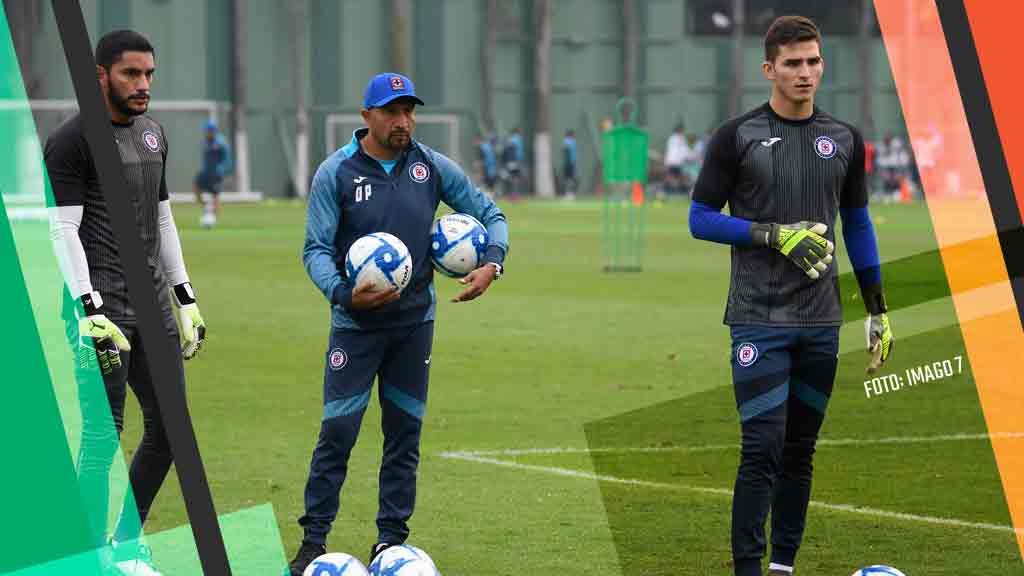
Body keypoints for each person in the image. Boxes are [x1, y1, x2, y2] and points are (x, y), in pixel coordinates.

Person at [687, 16, 893, 576]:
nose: (806, 72)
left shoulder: (845, 139)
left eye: (814, 61)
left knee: (800, 451)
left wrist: (876, 307)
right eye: (794, 63)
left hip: (822, 319)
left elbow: (858, 224)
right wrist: (772, 234)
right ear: (769, 69)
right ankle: (749, 570)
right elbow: (700, 219)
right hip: (758, 318)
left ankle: (783, 566)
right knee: (762, 447)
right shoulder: (738, 136)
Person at [288, 72, 509, 575]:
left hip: (414, 326)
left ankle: (390, 543)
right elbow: (315, 250)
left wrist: (492, 262)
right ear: (366, 116)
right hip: (354, 327)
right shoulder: (336, 173)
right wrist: (345, 293)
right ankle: (312, 544)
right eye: (392, 111)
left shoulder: (429, 166)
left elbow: (491, 213)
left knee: (404, 434)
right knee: (338, 433)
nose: (403, 121)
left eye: (409, 110)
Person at [45, 29, 206, 576]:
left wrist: (185, 297)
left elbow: (162, 219)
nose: (143, 85)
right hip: (101, 309)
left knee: (170, 430)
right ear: (100, 76)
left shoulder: (154, 135)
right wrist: (89, 309)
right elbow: (62, 230)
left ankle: (122, 545)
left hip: (154, 306)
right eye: (131, 74)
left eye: (149, 75)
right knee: (103, 434)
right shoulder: (71, 141)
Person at [192, 118, 232, 228]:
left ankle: (213, 219)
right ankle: (206, 207)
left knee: (215, 195)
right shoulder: (205, 142)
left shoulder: (221, 143)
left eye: (210, 130)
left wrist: (223, 170)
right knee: (196, 187)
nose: (208, 133)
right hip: (205, 172)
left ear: (214, 131)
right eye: (207, 130)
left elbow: (227, 159)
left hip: (216, 173)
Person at [664, 123, 689, 194]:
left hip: (671, 161)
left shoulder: (671, 138)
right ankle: (676, 190)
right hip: (677, 161)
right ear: (680, 131)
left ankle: (673, 190)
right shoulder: (681, 138)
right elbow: (684, 150)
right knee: (677, 177)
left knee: (672, 176)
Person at [501, 127, 525, 196]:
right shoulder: (516, 139)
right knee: (514, 178)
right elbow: (510, 147)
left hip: (513, 161)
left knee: (513, 178)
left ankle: (513, 194)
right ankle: (514, 194)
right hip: (515, 161)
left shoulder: (514, 139)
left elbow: (507, 146)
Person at [562, 129, 578, 199]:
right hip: (571, 162)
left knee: (569, 179)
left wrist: (567, 162)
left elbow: (566, 152)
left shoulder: (567, 141)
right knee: (571, 178)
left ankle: (569, 193)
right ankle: (570, 193)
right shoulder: (573, 142)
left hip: (568, 162)